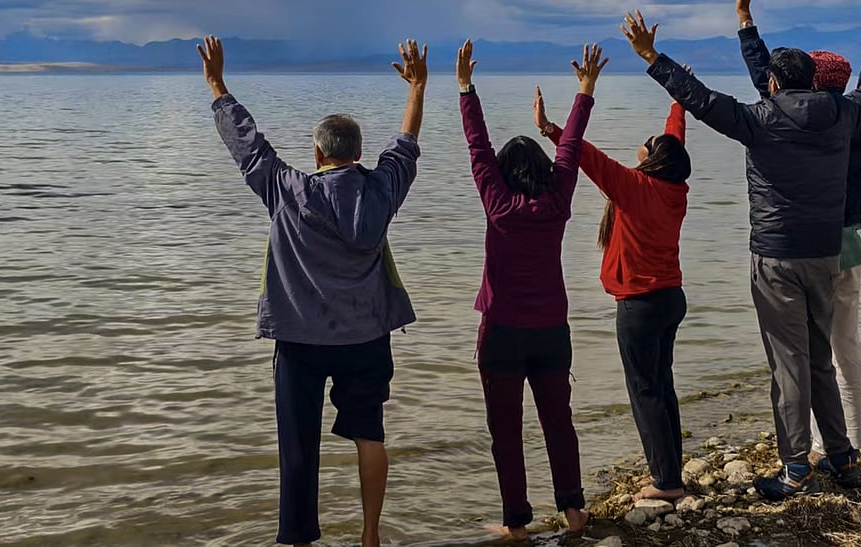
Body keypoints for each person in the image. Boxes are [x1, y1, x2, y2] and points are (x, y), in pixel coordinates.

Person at [621, 0, 861, 500]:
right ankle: (843, 457)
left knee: (788, 364)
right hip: (826, 253)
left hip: (777, 257)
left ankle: (796, 466)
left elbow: (700, 99)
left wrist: (654, 59)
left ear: (775, 84)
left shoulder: (759, 119)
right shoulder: (844, 113)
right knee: (819, 357)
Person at [200, 35, 426, 547]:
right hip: (366, 338)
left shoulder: (288, 191)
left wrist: (217, 85)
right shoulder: (381, 190)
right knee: (370, 434)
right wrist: (417, 88)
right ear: (359, 154)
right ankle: (370, 535)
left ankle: (299, 540)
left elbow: (248, 146)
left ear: (317, 153)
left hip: (300, 341)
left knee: (298, 447)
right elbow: (406, 144)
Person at [733, 0, 861, 469]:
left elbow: (763, 77)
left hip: (803, 246)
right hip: (844, 245)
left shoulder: (784, 118)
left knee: (807, 355)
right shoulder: (856, 114)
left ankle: (821, 452)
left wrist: (745, 22)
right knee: (840, 351)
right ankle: (848, 446)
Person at [457, 39, 604, 539]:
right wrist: (584, 91)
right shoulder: (558, 200)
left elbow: (477, 148)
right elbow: (570, 148)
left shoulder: (497, 204)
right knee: (558, 424)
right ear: (541, 172)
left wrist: (465, 89)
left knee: (507, 433)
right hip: (550, 332)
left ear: (501, 174)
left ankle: (517, 525)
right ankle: (574, 512)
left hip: (501, 332)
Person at [533, 84, 692, 503]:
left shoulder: (634, 186)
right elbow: (675, 137)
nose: (645, 143)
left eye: (649, 144)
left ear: (654, 158)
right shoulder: (675, 188)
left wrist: (551, 128)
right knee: (662, 386)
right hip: (670, 299)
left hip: (640, 305)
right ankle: (669, 470)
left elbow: (590, 158)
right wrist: (678, 101)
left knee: (645, 391)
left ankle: (667, 481)